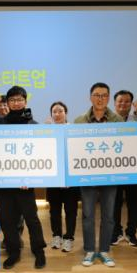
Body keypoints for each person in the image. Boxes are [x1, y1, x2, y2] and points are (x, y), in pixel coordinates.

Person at [0, 86, 47, 270]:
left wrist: (29, 178)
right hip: (3, 182)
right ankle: (13, 251)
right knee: (7, 219)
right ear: (7, 102)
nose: (16, 103)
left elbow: (39, 154)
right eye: (12, 100)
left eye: (19, 99)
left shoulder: (33, 125)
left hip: (25, 183)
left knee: (31, 218)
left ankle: (39, 251)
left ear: (25, 101)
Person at [75, 82, 123, 267]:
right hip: (86, 175)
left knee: (109, 215)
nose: (100, 98)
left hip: (110, 176)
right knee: (87, 214)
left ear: (108, 98)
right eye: (97, 95)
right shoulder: (80, 121)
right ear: (90, 97)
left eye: (104, 95)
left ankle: (104, 250)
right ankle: (89, 250)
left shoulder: (118, 121)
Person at [45, 101, 80, 252]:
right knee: (54, 210)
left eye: (60, 111)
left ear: (66, 113)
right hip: (53, 178)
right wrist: (46, 131)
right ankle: (56, 236)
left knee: (71, 210)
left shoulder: (73, 130)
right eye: (54, 111)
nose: (57, 114)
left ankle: (69, 238)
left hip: (71, 178)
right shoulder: (47, 131)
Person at [111, 90, 137, 246]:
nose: (123, 104)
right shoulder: (108, 120)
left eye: (127, 101)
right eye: (120, 101)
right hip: (113, 170)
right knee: (114, 204)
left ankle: (131, 233)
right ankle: (116, 232)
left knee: (134, 204)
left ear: (131, 104)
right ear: (114, 103)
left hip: (134, 170)